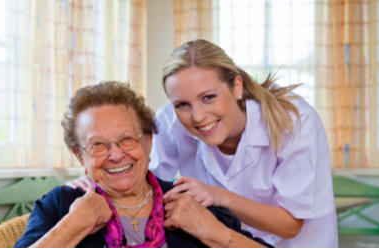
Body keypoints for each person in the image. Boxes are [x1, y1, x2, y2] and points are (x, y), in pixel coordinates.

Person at [68, 39, 338, 247]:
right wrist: (90, 180)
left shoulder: (294, 121)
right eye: (182, 104)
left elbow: (290, 224)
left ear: (237, 87)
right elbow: (139, 178)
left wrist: (218, 196)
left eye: (209, 97)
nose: (197, 116)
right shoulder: (170, 123)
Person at [15, 82, 272, 248]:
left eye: (127, 139)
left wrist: (212, 231)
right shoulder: (62, 206)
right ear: (81, 157)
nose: (115, 155)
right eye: (98, 145)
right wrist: (76, 224)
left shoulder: (189, 201)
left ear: (148, 143)